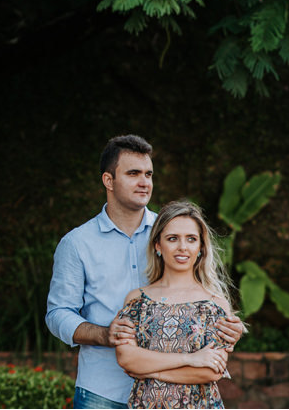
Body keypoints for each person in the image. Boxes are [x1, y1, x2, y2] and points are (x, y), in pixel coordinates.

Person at [45, 135, 244, 409]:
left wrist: (227, 328)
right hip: (102, 390)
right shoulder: (77, 243)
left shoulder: (171, 232)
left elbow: (200, 302)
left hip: (179, 391)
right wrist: (104, 334)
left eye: (149, 174)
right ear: (108, 181)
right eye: (133, 173)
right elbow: (58, 313)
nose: (144, 182)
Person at [115, 200, 238, 408]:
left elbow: (210, 371)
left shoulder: (215, 305)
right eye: (172, 239)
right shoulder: (136, 300)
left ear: (200, 247)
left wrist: (150, 371)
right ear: (158, 245)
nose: (182, 247)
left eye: (191, 239)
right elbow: (127, 359)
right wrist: (191, 359)